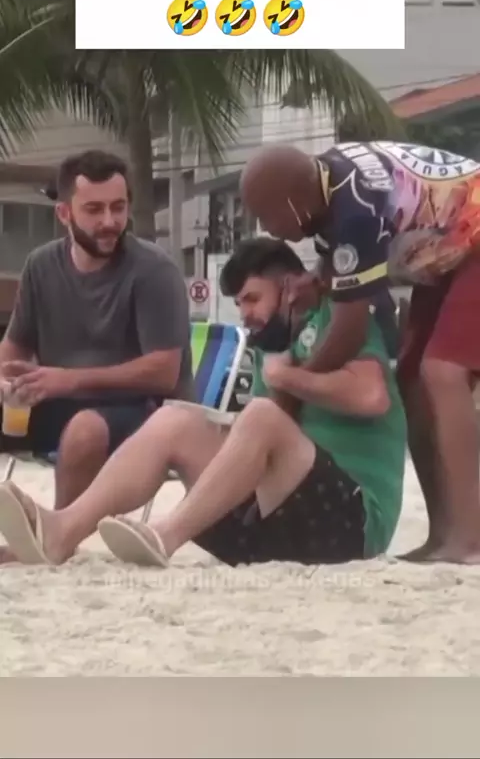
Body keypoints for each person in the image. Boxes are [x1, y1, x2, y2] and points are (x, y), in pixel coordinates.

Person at [0, 237, 406, 569]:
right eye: (240, 304)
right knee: (174, 420)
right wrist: (278, 377)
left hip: (353, 524)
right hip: (280, 524)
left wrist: (287, 378)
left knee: (260, 415)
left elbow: (372, 396)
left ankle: (165, 535)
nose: (245, 315)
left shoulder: (339, 319)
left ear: (287, 288)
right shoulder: (271, 350)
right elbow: (272, 440)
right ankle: (61, 532)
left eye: (252, 299)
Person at [240, 140, 480, 564]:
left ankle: (471, 537)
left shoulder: (356, 210)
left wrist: (296, 384)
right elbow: (350, 267)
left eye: (267, 215)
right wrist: (319, 279)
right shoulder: (326, 191)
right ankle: (443, 533)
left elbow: (348, 331)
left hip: (471, 238)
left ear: (293, 202)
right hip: (448, 252)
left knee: (443, 372)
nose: (267, 229)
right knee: (411, 380)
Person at [0, 149, 193, 538]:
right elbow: (15, 346)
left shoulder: (153, 270)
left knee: (85, 428)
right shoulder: (40, 265)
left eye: (118, 207)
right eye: (94, 209)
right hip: (55, 404)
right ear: (64, 213)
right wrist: (6, 381)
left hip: (140, 412)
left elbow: (163, 372)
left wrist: (68, 379)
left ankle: (56, 538)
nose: (109, 221)